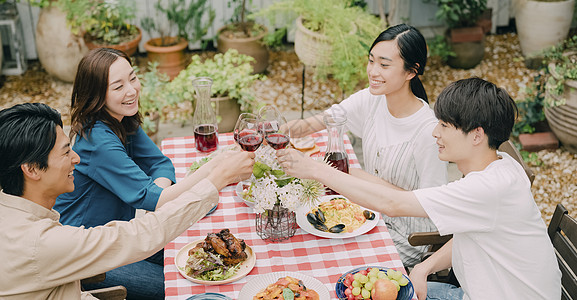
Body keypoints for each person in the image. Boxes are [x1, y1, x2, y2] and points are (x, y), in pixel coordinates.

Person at [277, 77, 561, 299]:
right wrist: (424, 267)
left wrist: (315, 169)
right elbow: (474, 234)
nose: (435, 133)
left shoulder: (487, 187)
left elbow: (393, 204)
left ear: (477, 136)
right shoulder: (500, 166)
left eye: (445, 126)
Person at [0, 102, 255, 299]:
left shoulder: (15, 213)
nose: (77, 159)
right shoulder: (38, 244)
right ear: (32, 169)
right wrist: (217, 179)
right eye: (66, 152)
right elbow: (139, 234)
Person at [51, 48, 219, 298]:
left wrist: (159, 194)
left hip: (123, 234)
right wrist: (216, 170)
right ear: (97, 95)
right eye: (118, 86)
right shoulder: (97, 139)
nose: (131, 90)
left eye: (133, 78)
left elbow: (161, 164)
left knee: (207, 258)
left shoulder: (120, 119)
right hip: (89, 254)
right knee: (183, 288)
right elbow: (152, 199)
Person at [287, 24, 448, 266]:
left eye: (384, 65)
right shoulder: (372, 99)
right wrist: (274, 131)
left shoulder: (428, 132)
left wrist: (357, 176)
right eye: (371, 61)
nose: (372, 71)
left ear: (411, 72)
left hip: (407, 237)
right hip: (367, 214)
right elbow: (316, 123)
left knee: (325, 260)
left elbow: (429, 207)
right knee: (303, 238)